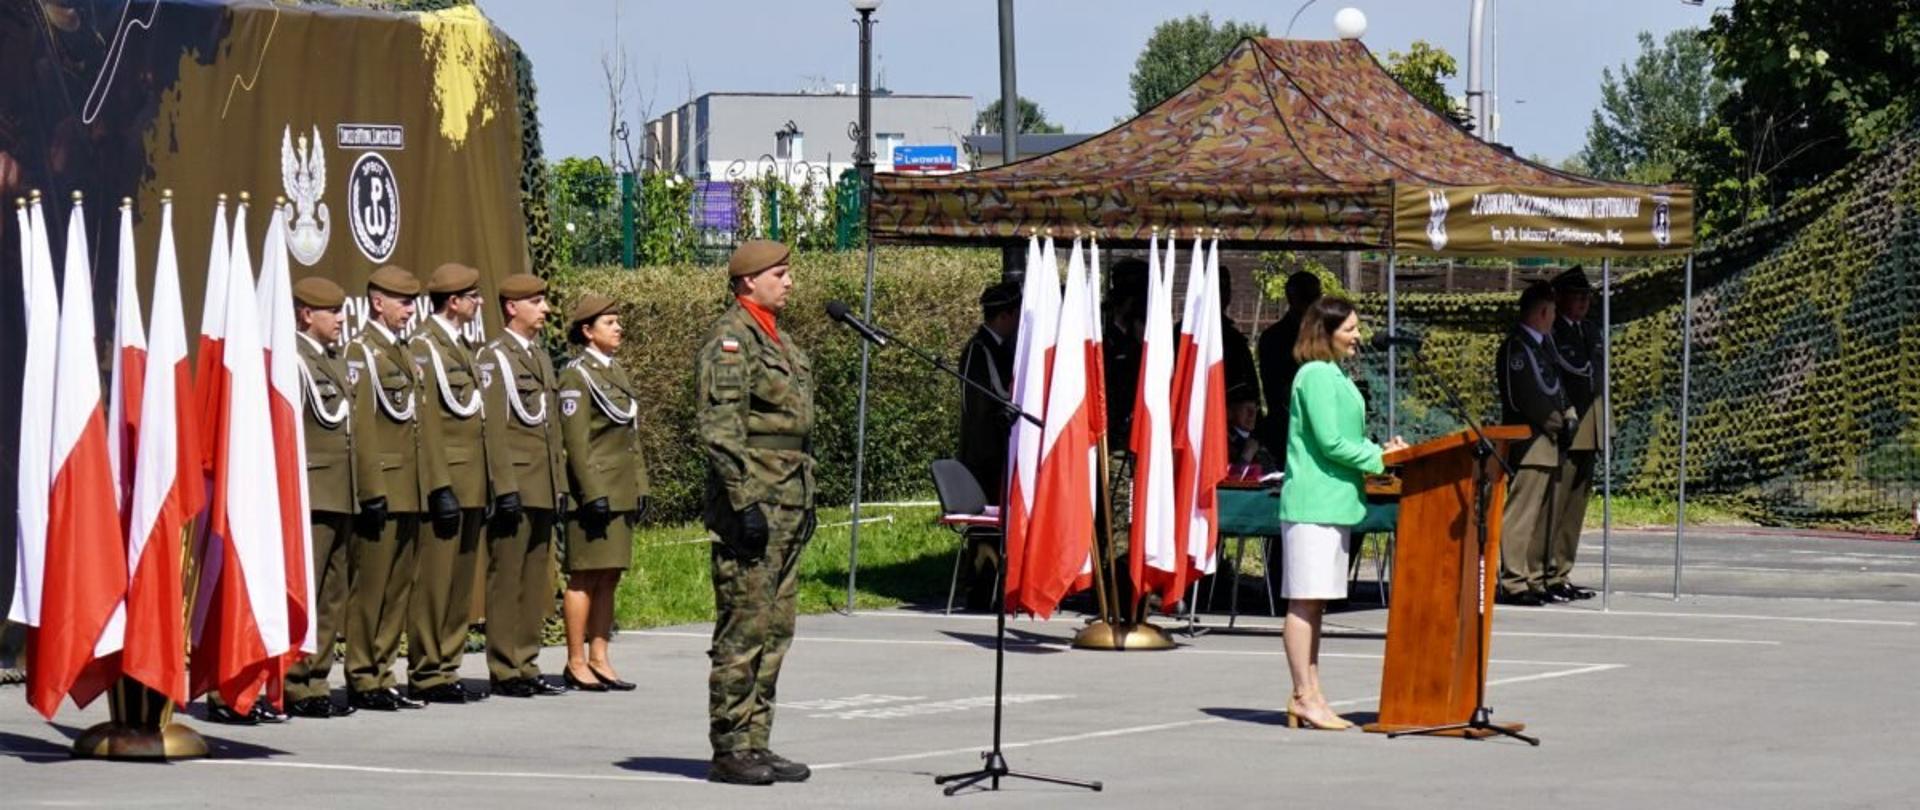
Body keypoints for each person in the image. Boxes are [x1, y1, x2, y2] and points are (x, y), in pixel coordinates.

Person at [695, 240, 816, 786]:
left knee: (775, 629)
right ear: (748, 281)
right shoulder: (730, 340)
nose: (789, 282)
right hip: (755, 501)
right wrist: (743, 505)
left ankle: (756, 742)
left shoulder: (779, 340)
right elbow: (721, 429)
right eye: (780, 273)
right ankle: (730, 747)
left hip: (788, 498)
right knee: (744, 627)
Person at [1276, 295, 1406, 731]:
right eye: (1349, 329)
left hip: (1333, 502)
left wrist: (1381, 451)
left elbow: (1345, 436)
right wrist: (1379, 458)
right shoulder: (1315, 375)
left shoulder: (1334, 374)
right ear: (1325, 333)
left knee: (1315, 604)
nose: (1358, 336)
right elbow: (1330, 441)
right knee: (1304, 602)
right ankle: (1303, 694)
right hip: (1313, 503)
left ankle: (1312, 694)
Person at [344, 265, 441, 712]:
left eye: (413, 303)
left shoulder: (405, 352)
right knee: (372, 588)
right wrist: (371, 488)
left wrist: (431, 485)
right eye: (403, 302)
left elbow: (419, 424)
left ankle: (383, 671)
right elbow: (363, 427)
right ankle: (363, 674)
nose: (409, 310)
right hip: (383, 483)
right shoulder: (361, 352)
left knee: (398, 587)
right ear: (377, 302)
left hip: (410, 486)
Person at [477, 273, 570, 698]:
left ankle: (527, 662)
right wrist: (504, 485)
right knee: (507, 576)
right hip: (515, 481)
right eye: (535, 302)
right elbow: (494, 428)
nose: (545, 309)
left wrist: (559, 483)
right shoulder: (495, 358)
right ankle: (504, 666)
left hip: (543, 483)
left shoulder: (540, 357)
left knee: (535, 579)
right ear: (512, 307)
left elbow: (550, 429)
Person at [406, 263, 492, 704]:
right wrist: (439, 484)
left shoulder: (462, 346)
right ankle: (426, 670)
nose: (479, 302)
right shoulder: (425, 346)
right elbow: (428, 423)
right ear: (453, 302)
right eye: (473, 297)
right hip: (448, 479)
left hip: (472, 477)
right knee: (435, 581)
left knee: (460, 582)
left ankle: (447, 665)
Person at [557, 294, 649, 694]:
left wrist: (641, 484)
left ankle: (600, 656)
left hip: (620, 488)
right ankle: (576, 661)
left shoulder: (616, 371)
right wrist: (591, 491)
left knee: (610, 576)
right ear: (587, 331)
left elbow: (631, 435)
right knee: (584, 576)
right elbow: (576, 443)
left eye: (617, 321)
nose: (618, 328)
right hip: (593, 492)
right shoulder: (576, 375)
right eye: (609, 323)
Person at [280, 277, 359, 719]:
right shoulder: (292, 360)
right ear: (307, 314)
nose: (341, 320)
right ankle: (294, 679)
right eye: (333, 312)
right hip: (312, 490)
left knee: (332, 592)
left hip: (340, 489)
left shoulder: (332, 360)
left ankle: (317, 679)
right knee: (306, 591)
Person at [1494, 282, 1578, 607]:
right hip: (1530, 442)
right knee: (1521, 515)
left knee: (1543, 518)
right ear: (1542, 312)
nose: (1555, 317)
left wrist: (1569, 416)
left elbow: (1556, 387)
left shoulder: (1542, 346)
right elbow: (1527, 397)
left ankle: (1534, 576)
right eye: (1553, 311)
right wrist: (1558, 423)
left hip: (1549, 443)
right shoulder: (1517, 348)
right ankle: (1514, 580)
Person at [956, 281, 1019, 612]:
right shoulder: (979, 351)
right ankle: (980, 592)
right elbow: (981, 406)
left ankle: (994, 588)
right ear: (1004, 315)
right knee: (984, 531)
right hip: (984, 457)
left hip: (996, 455)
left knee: (996, 530)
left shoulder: (998, 349)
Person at [1547, 267, 1601, 601]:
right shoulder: (1553, 332)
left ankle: (1561, 571)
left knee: (1576, 506)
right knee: (1557, 502)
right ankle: (1546, 570)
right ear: (1561, 298)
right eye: (1577, 296)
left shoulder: (1590, 330)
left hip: (1589, 425)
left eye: (1586, 297)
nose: (1583, 302)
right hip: (1567, 425)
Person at [1256, 271, 1323, 460]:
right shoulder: (1274, 338)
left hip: (1320, 423)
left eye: (1316, 297)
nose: (1314, 304)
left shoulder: (1322, 335)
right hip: (1288, 428)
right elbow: (1277, 390)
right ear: (1292, 299)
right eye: (1309, 297)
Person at [1226, 383, 1276, 474]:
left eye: (1255, 409)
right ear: (1230, 412)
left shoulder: (1258, 440)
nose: (1252, 414)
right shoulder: (1223, 443)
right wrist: (1246, 456)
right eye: (1247, 409)